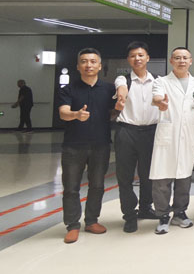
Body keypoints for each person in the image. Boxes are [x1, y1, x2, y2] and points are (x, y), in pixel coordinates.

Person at [57, 48, 122, 244]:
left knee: (97, 185)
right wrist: (76, 115)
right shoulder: (68, 89)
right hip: (73, 145)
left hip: (101, 145)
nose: (89, 65)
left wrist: (117, 110)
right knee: (71, 187)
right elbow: (63, 113)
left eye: (93, 61)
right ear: (78, 66)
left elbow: (111, 113)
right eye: (84, 61)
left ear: (100, 66)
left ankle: (92, 220)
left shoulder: (109, 89)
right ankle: (72, 225)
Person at [150, 47, 194, 234]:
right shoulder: (161, 82)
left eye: (185, 58)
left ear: (191, 61)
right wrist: (161, 102)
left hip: (188, 134)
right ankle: (163, 215)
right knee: (162, 179)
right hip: (168, 134)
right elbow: (156, 98)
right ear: (171, 61)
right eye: (178, 58)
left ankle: (180, 213)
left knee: (184, 177)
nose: (182, 61)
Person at [113, 41, 160, 233]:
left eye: (141, 55)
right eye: (133, 56)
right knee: (125, 176)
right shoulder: (123, 80)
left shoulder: (158, 81)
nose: (137, 59)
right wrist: (121, 95)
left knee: (148, 175)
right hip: (127, 132)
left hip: (151, 132)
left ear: (147, 58)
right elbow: (121, 88)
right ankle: (129, 215)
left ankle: (146, 208)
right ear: (128, 59)